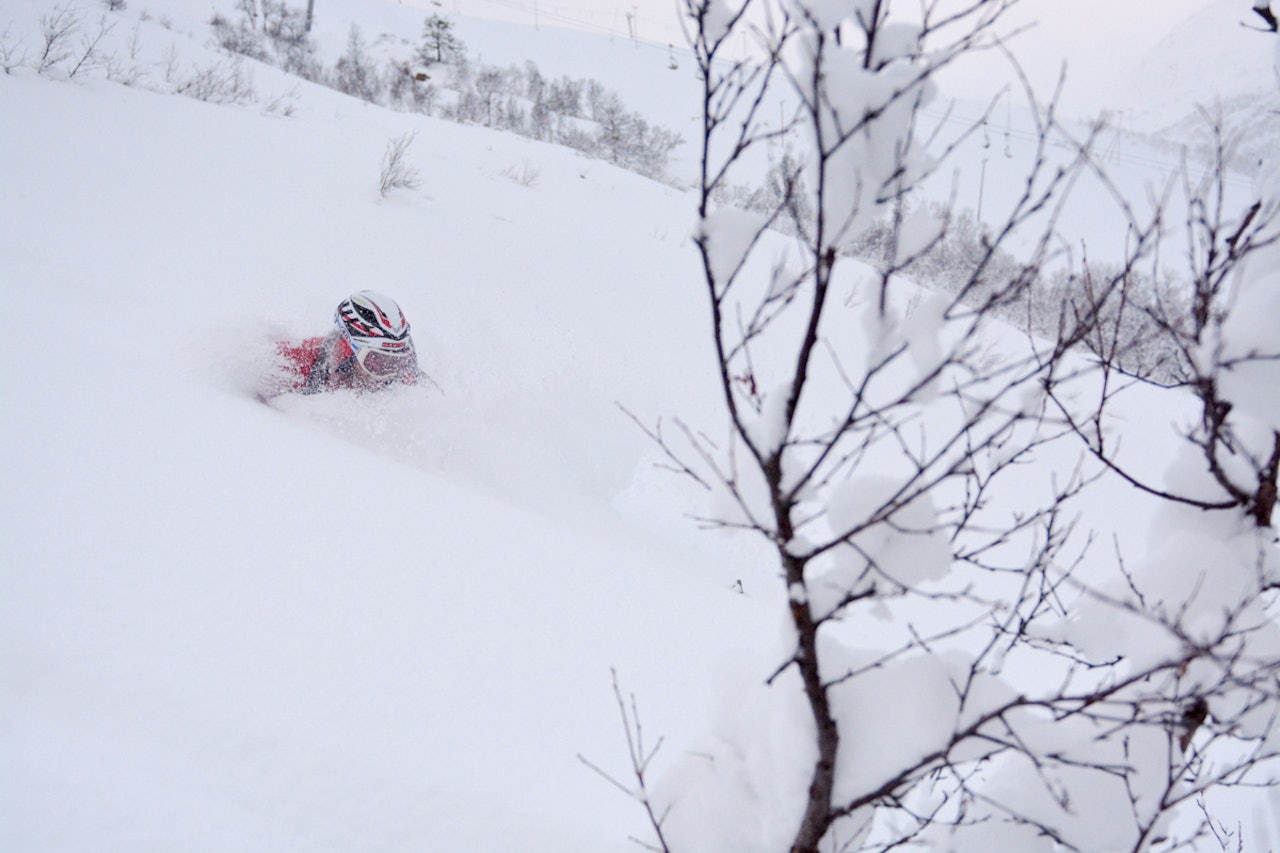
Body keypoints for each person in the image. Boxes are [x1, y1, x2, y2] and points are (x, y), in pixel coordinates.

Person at [274, 290, 421, 394]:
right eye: (377, 363)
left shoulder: (408, 382)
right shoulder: (306, 360)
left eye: (396, 363)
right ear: (351, 349)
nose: (388, 375)